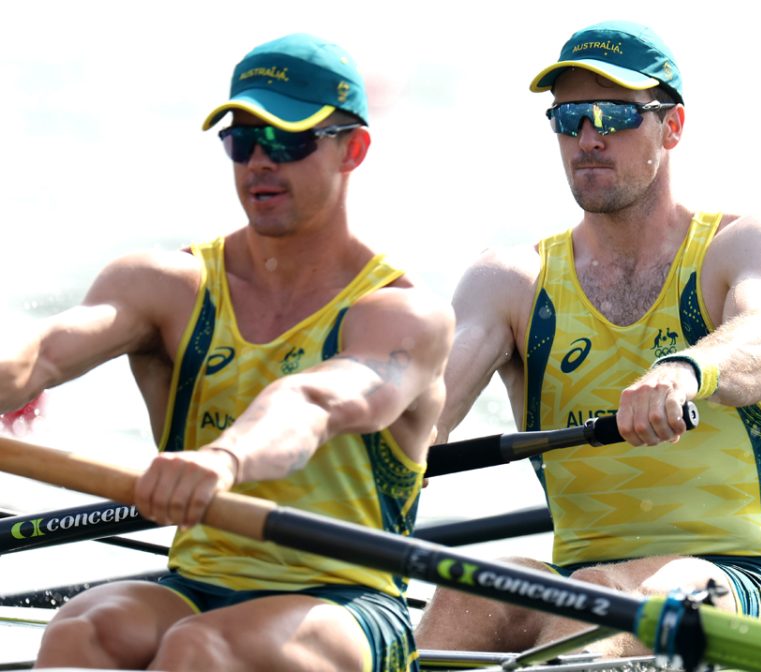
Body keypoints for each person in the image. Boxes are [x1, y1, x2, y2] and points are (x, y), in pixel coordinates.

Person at [0, 34, 453, 671]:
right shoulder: (164, 286)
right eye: (242, 140)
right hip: (197, 583)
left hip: (348, 602)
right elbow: (44, 351)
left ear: (353, 149)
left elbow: (314, 401)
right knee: (85, 627)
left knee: (201, 649)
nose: (260, 163)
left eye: (289, 141)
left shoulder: (403, 315)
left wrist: (225, 457)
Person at [414, 20, 761, 656]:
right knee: (465, 594)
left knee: (606, 598)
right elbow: (428, 402)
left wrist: (682, 372)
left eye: (614, 114)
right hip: (578, 578)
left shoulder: (736, 247)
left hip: (734, 579)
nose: (588, 138)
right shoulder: (511, 280)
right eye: (568, 119)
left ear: (671, 127)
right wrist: (392, 443)